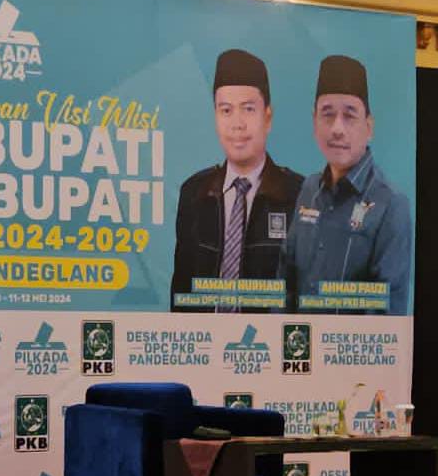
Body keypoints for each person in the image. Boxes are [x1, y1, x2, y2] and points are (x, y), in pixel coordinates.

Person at [170, 49, 303, 312]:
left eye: (248, 109)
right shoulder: (194, 192)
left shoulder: (301, 195)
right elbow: (181, 295)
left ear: (268, 117)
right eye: (226, 110)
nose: (237, 124)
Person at [281, 55, 412, 315]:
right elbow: (286, 282)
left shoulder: (391, 205)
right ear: (314, 122)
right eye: (327, 115)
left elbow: (386, 315)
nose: (337, 129)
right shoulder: (308, 189)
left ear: (369, 127)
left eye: (349, 116)